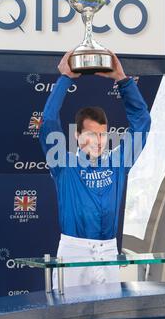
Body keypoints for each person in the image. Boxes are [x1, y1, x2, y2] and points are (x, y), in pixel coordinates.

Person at [39, 50, 151, 290]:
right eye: (91, 134)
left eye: (102, 134)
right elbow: (48, 122)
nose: (98, 141)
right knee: (69, 318)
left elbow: (142, 121)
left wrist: (122, 79)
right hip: (74, 252)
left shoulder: (119, 161)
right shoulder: (63, 164)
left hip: (109, 250)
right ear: (78, 135)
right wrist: (65, 79)